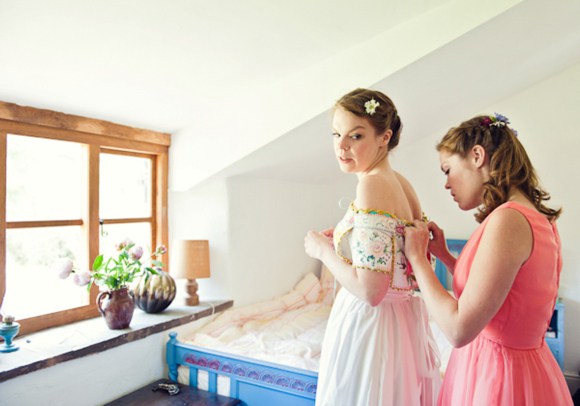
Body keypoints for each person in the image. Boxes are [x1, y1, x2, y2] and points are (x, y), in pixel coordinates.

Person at [404, 114, 573, 405]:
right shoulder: (533, 216)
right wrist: (445, 256)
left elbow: (459, 330)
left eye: (447, 170)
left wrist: (418, 260)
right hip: (518, 367)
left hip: (499, 375)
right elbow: (497, 297)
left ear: (477, 156)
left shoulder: (509, 220)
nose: (446, 184)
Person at [304, 88, 441, 406]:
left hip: (371, 323)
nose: (341, 145)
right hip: (398, 322)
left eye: (356, 135)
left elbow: (371, 291)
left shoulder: (372, 185)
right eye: (337, 134)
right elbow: (404, 263)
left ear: (384, 137)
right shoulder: (400, 182)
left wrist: (322, 249)